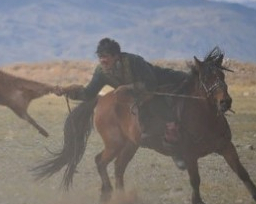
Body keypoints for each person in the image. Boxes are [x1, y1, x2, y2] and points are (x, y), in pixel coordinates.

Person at [55, 38, 188, 169]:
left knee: (170, 117)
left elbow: (151, 84)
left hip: (159, 85)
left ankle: (177, 153)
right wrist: (68, 92)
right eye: (100, 57)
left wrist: (128, 87)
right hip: (139, 99)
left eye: (105, 56)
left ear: (116, 56)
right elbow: (88, 93)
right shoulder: (101, 72)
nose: (102, 60)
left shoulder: (134, 61)